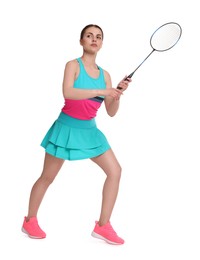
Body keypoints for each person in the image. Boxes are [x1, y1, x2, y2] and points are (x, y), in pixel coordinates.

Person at [21, 24, 131, 245]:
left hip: (90, 131)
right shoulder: (73, 65)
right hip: (66, 129)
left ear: (102, 43)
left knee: (115, 171)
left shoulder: (106, 75)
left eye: (98, 37)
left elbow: (110, 112)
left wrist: (116, 95)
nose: (94, 39)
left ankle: (103, 226)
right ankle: (29, 220)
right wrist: (102, 91)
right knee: (47, 177)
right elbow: (68, 92)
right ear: (81, 41)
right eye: (89, 36)